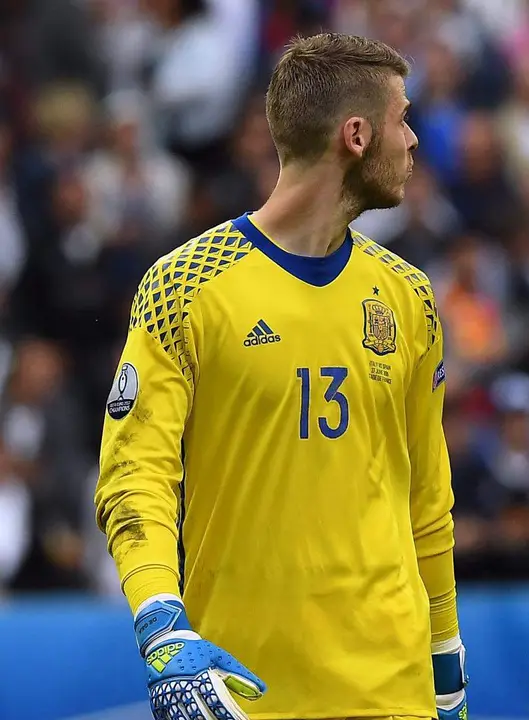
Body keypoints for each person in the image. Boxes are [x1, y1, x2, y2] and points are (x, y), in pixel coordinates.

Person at [94, 34, 467, 720]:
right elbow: (134, 473)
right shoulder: (184, 287)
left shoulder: (409, 298)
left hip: (392, 692)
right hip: (240, 694)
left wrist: (446, 667)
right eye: (402, 118)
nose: (414, 140)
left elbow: (428, 498)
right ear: (356, 135)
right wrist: (160, 623)